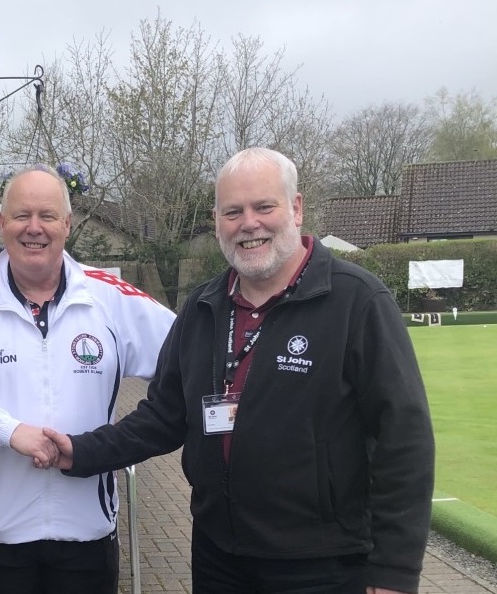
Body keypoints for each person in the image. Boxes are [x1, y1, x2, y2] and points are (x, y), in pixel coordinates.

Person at [44, 148, 435, 594]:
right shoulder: (203, 307)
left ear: (297, 208)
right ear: (217, 221)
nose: (249, 223)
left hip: (322, 564)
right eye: (233, 212)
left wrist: (395, 572)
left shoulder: (357, 301)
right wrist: (80, 451)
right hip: (219, 556)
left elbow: (405, 439)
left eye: (263, 206)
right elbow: (163, 416)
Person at [0, 164, 177, 594]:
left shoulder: (109, 299)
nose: (34, 228)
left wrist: (116, 443)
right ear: (2, 225)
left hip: (87, 536)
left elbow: (186, 363)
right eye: (21, 216)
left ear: (67, 224)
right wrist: (8, 431)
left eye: (47, 215)